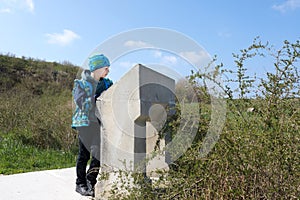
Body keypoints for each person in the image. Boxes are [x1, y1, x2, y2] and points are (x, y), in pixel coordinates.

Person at [71, 54, 113, 197]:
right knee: (84, 154)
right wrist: (97, 97)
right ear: (97, 68)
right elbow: (82, 104)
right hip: (84, 124)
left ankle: (90, 182)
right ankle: (80, 184)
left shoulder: (107, 84)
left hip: (98, 124)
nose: (108, 72)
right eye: (106, 68)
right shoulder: (80, 84)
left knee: (97, 154)